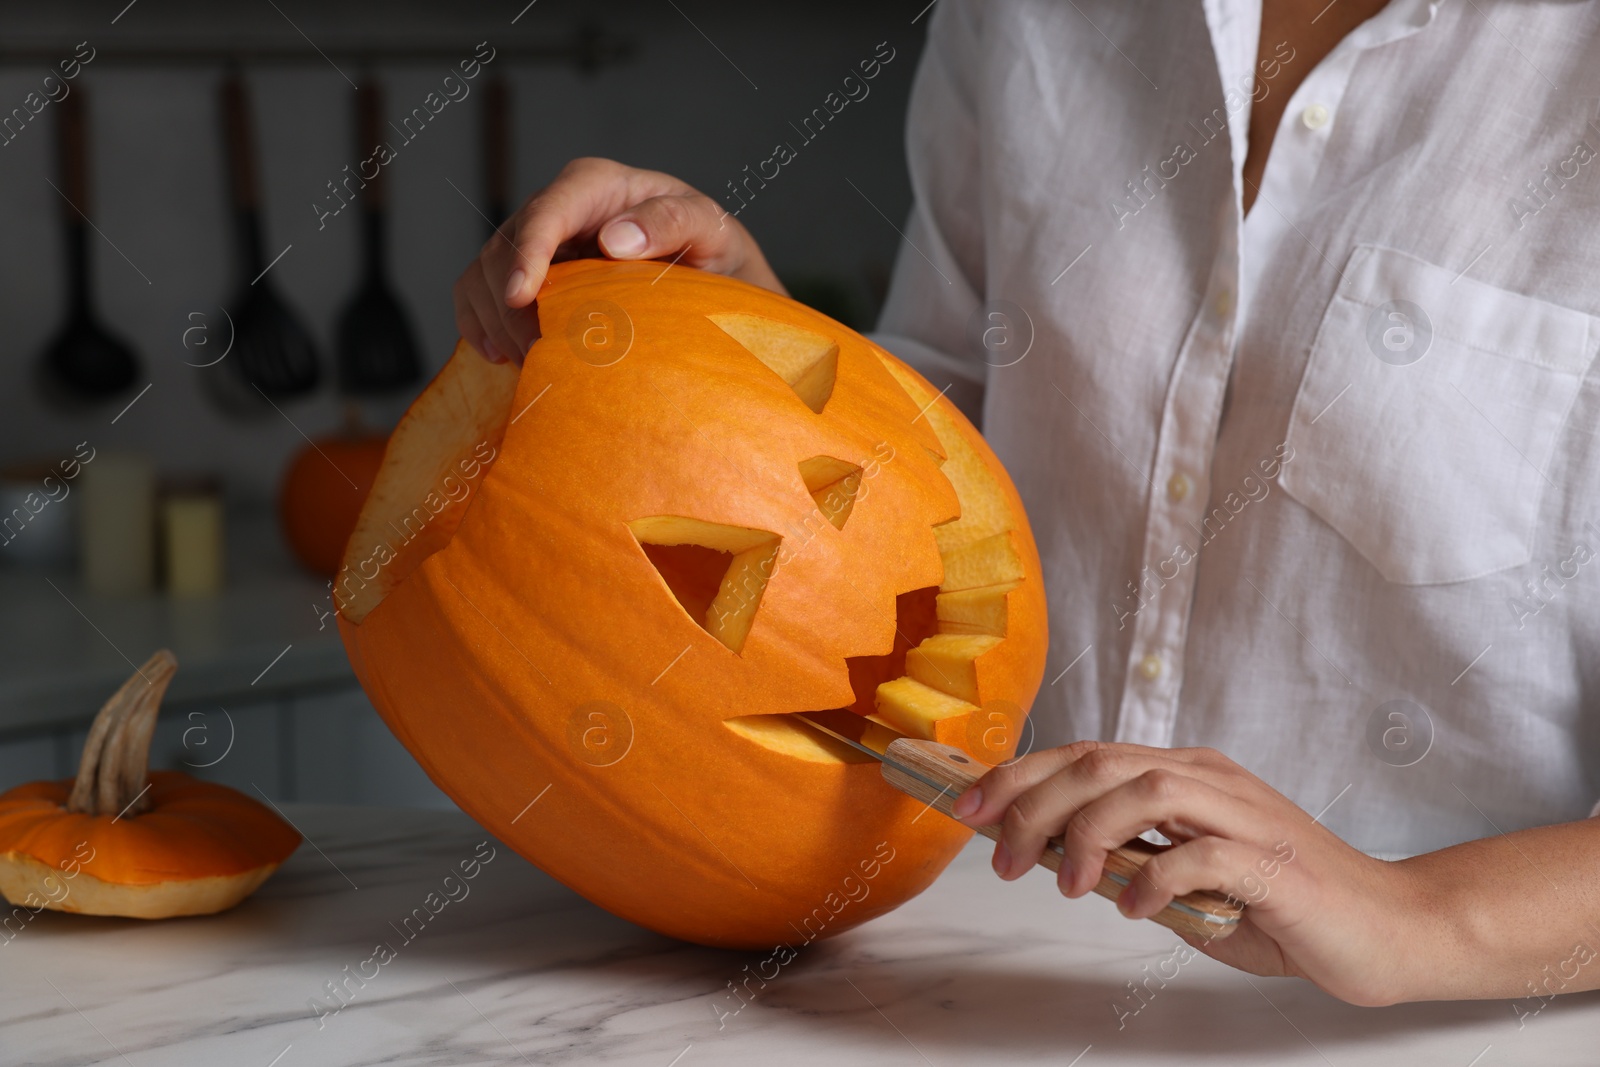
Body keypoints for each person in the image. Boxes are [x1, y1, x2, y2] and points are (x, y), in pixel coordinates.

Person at [454, 1, 1600, 1009]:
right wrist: (733, 361)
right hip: (963, 973)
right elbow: (936, 439)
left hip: (1436, 1027)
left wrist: (1412, 915)